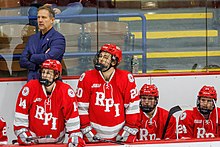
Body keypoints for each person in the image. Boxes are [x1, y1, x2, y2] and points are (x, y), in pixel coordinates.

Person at [76, 44, 140, 143]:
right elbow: (81, 107)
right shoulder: (86, 77)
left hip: (120, 132)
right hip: (94, 133)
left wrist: (128, 129)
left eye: (105, 57)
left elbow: (132, 106)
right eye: (100, 56)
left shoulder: (126, 78)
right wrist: (86, 129)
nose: (101, 59)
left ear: (114, 61)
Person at [14, 59, 85, 147]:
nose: (44, 75)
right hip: (33, 143)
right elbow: (21, 113)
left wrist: (74, 134)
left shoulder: (65, 91)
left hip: (57, 143)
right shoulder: (30, 88)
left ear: (56, 75)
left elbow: (71, 116)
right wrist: (22, 131)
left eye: (48, 73)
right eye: (43, 72)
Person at [19, 5, 66, 81]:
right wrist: (37, 65)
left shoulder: (58, 38)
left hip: (50, 83)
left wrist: (31, 57)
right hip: (32, 82)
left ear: (52, 20)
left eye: (44, 17)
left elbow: (50, 58)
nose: (40, 20)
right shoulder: (32, 38)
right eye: (38, 17)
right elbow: (22, 61)